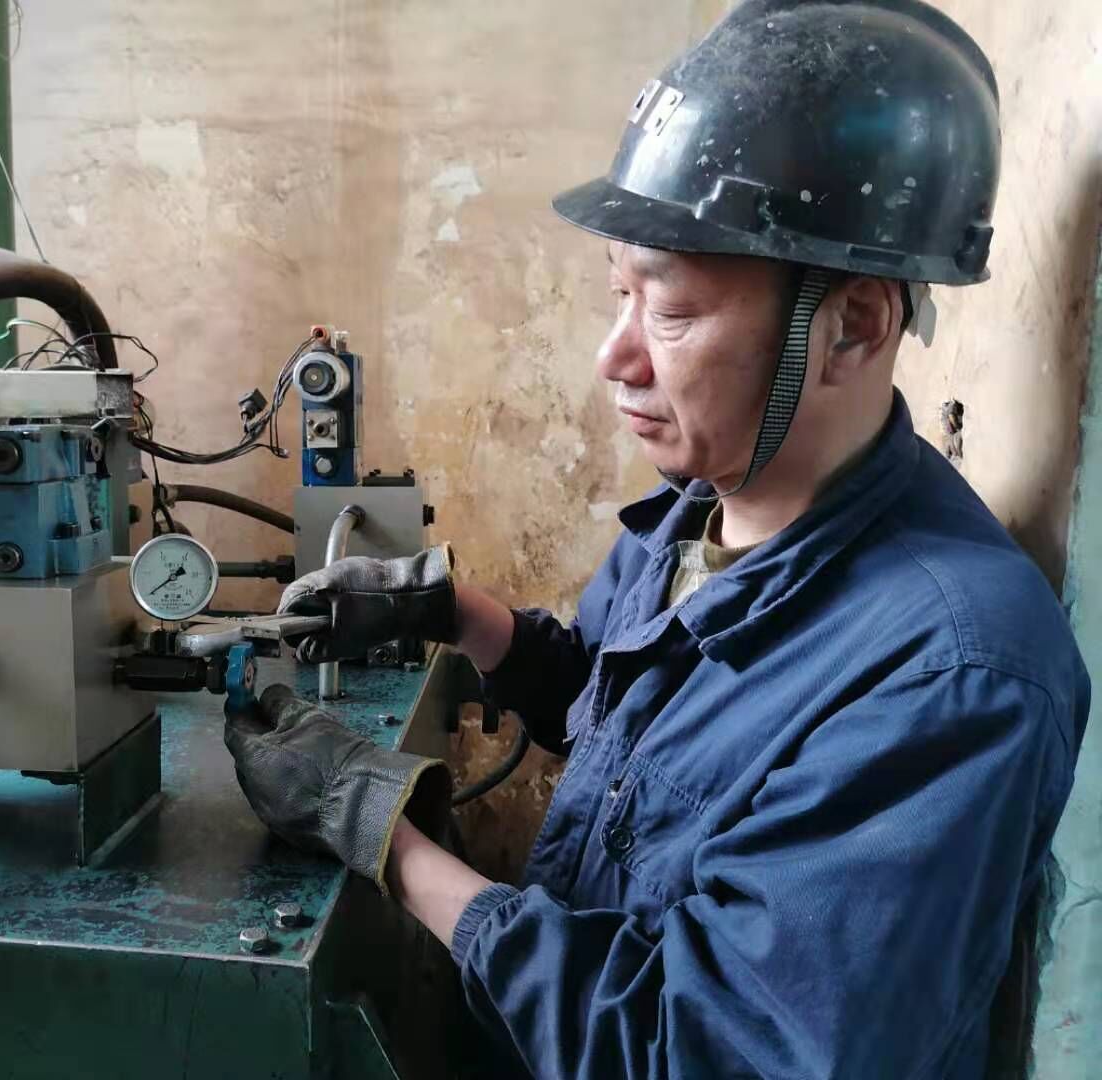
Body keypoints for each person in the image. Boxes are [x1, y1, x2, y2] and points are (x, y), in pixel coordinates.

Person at [222, 1, 1090, 1076]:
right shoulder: (705, 507)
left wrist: (387, 842)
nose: (614, 357)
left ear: (854, 327)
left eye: (669, 312)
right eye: (618, 295)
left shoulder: (952, 677)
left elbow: (705, 1048)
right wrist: (455, 614)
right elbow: (618, 715)